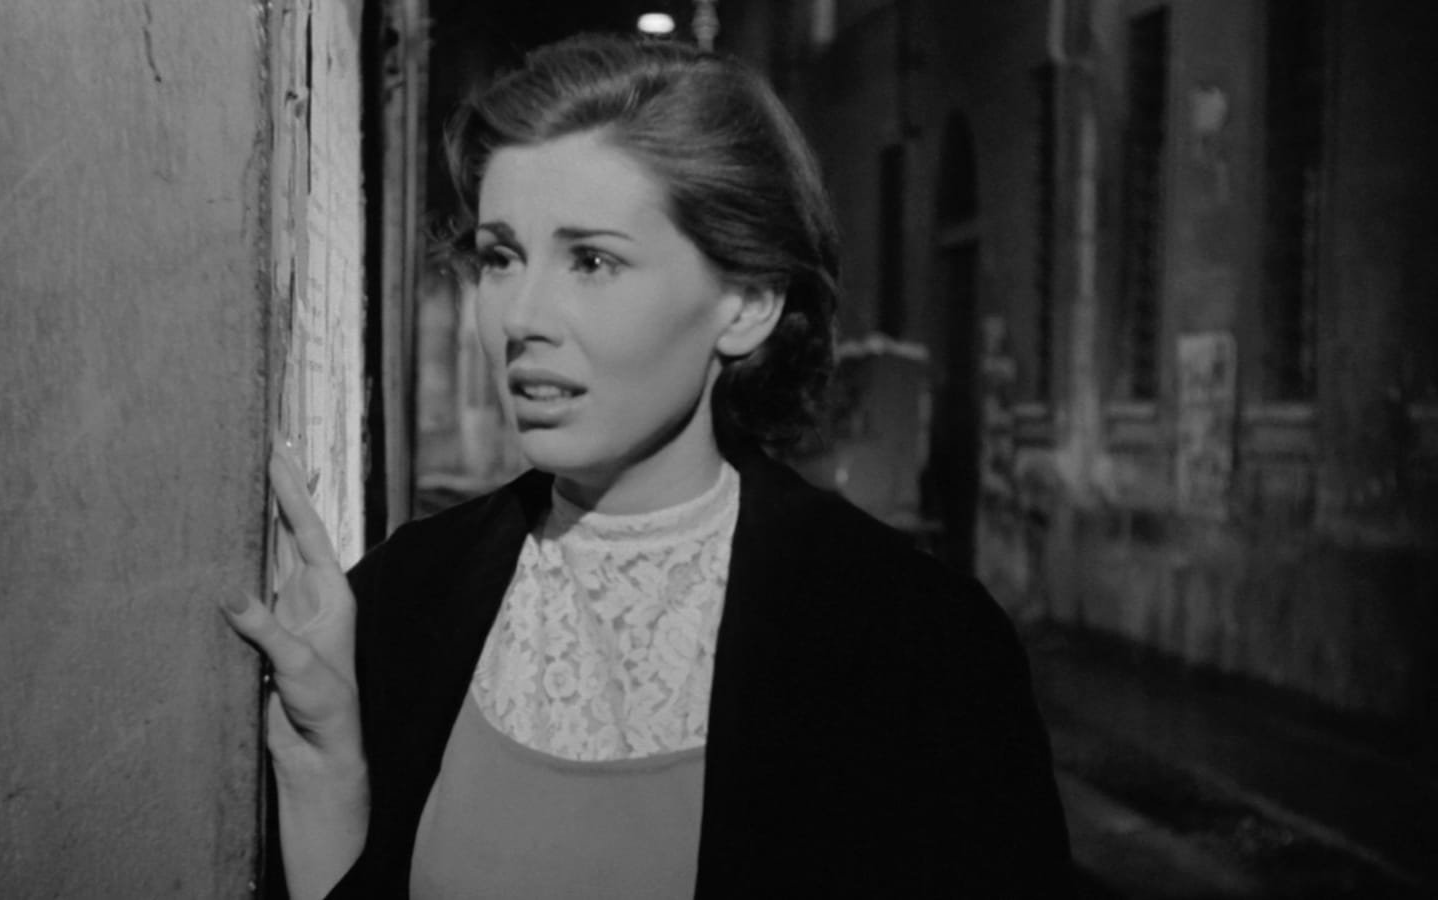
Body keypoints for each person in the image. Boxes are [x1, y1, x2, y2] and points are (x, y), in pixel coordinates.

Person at [223, 34, 1072, 899]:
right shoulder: (406, 599)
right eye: (501, 257)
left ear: (747, 302)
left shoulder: (916, 649)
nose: (522, 316)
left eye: (592, 261)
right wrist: (324, 764)